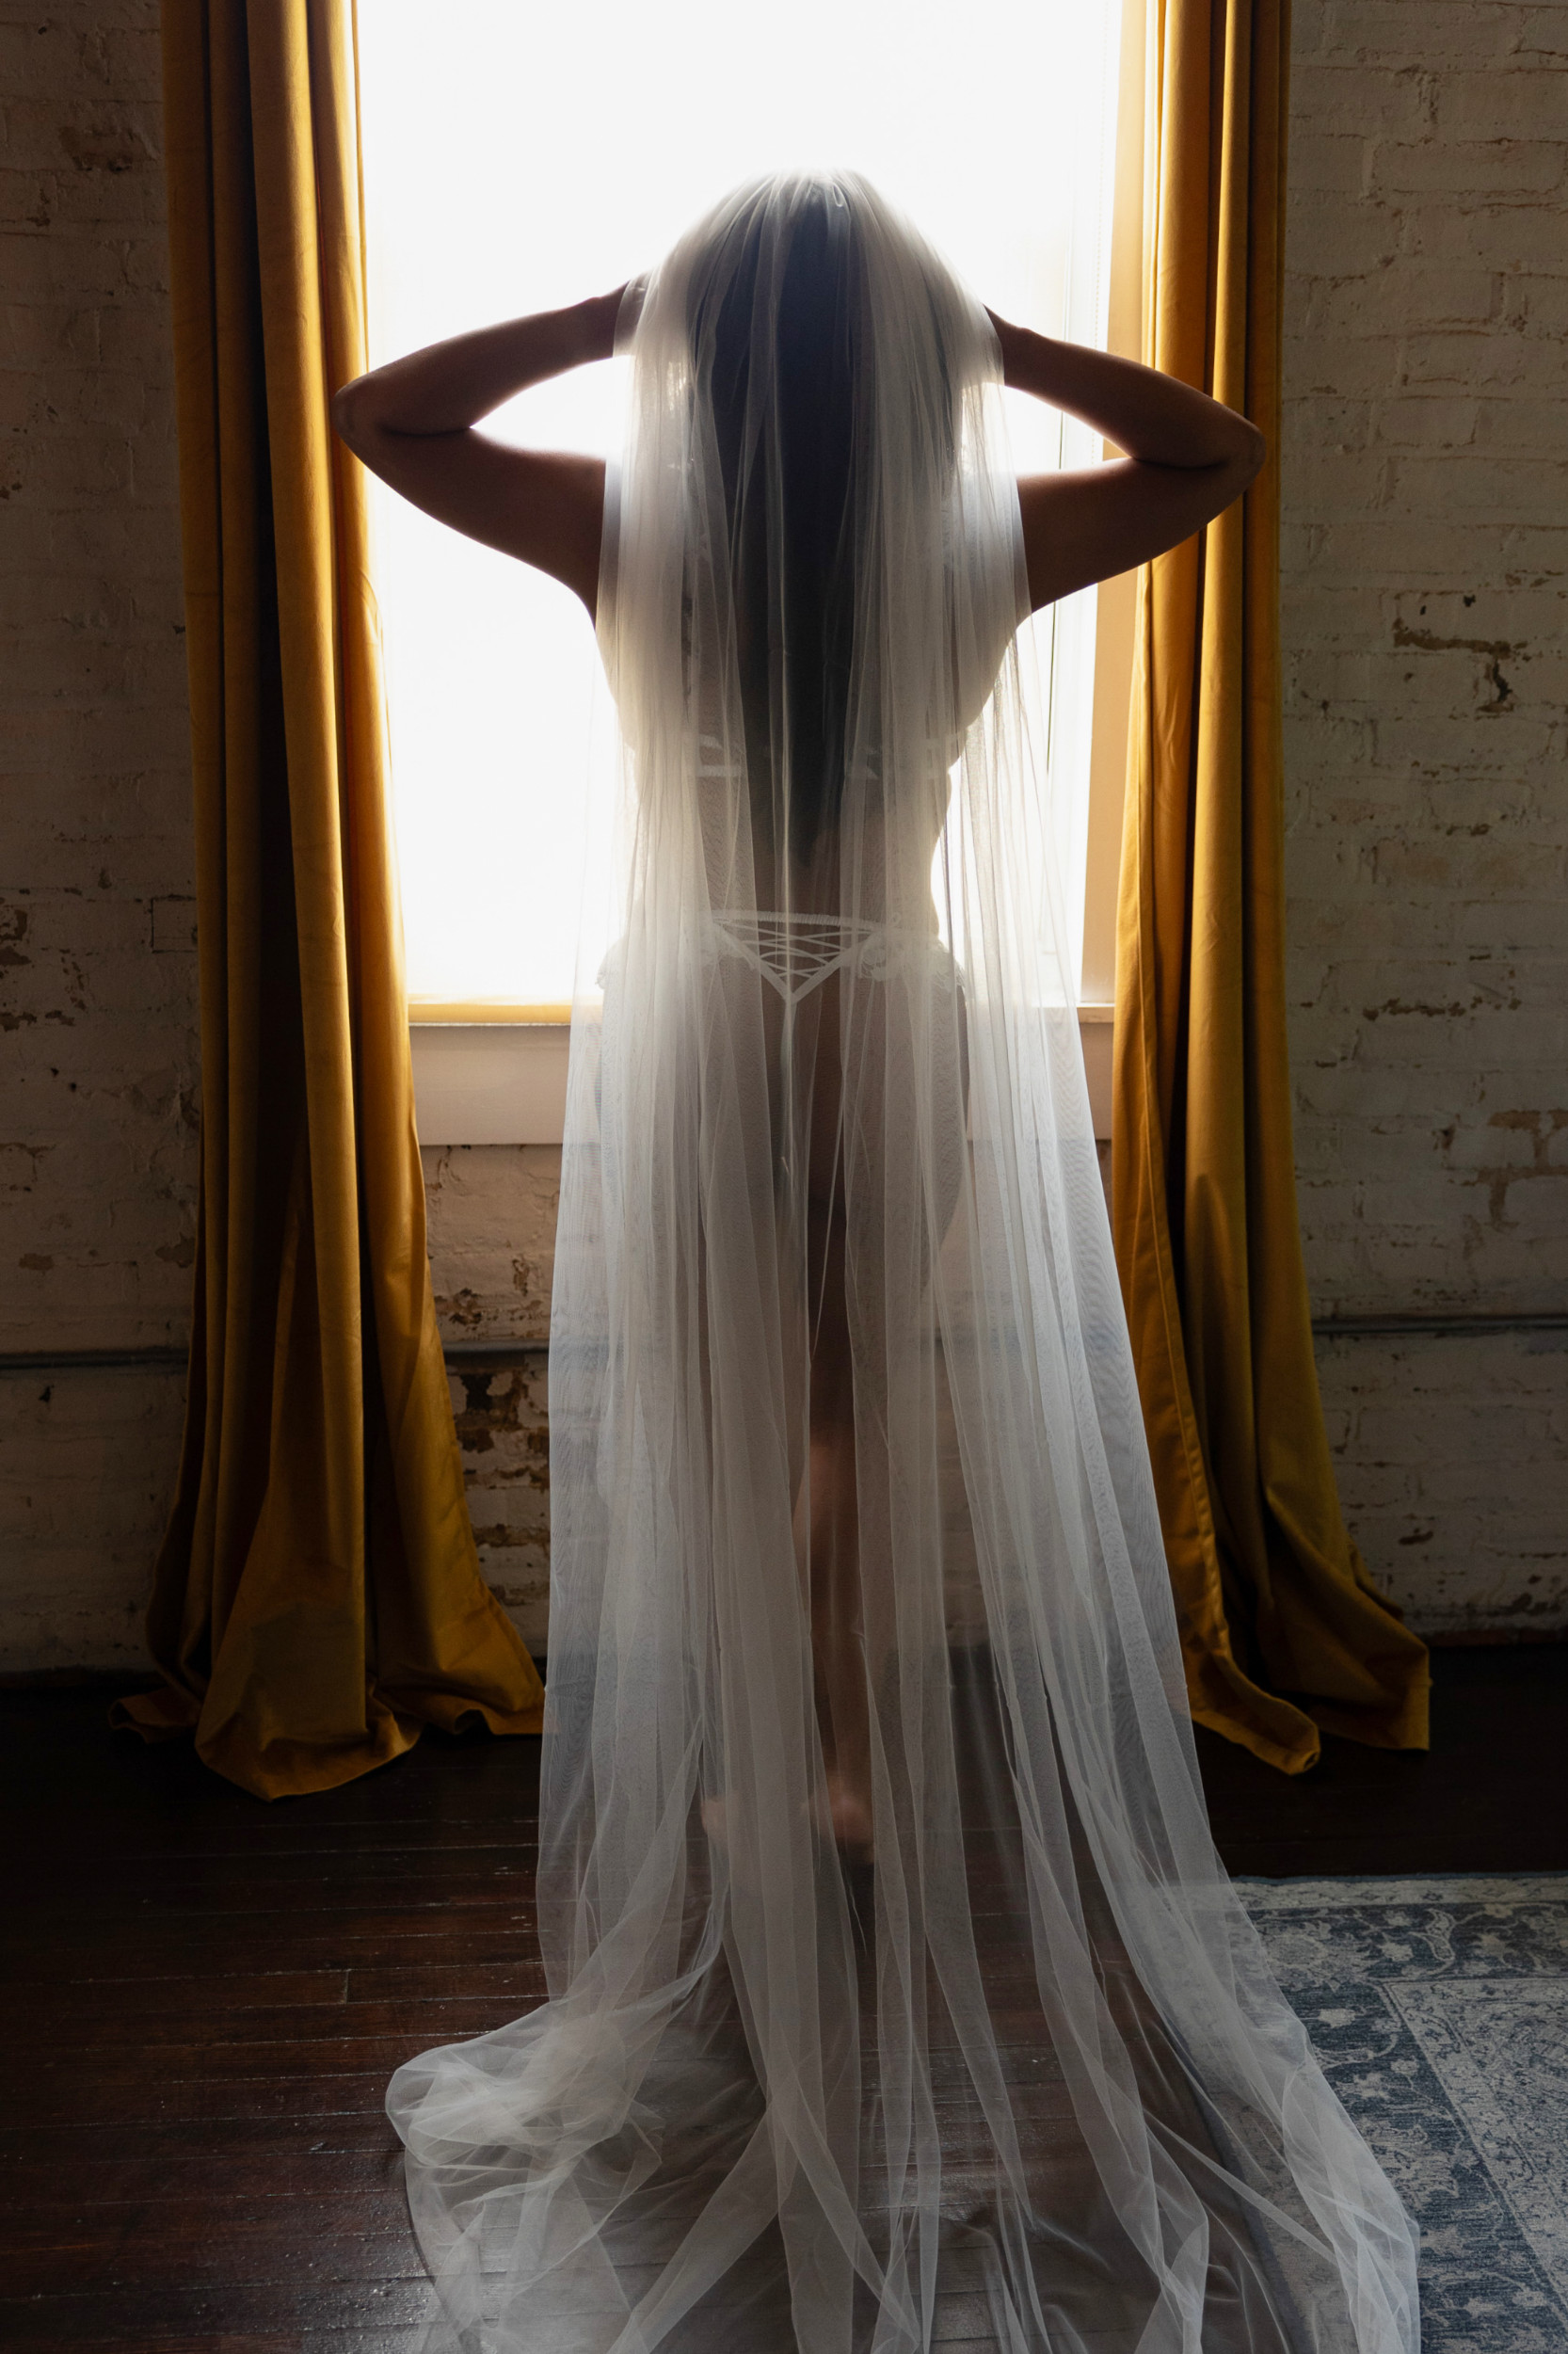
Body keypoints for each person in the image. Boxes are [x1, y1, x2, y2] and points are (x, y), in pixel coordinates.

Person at [334, 171, 1419, 2354]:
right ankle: (828, 1745)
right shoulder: (975, 552)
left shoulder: (634, 532)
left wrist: (597, 312)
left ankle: (759, 1755)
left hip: (714, 999)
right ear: (906, 377)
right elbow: (1215, 449)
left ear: (705, 370)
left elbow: (385, 418)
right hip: (882, 1006)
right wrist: (997, 360)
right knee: (847, 1393)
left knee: (731, 1409)